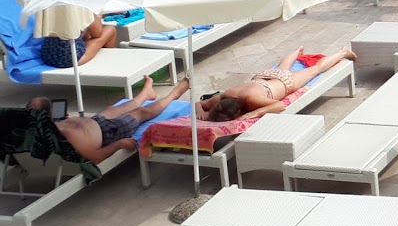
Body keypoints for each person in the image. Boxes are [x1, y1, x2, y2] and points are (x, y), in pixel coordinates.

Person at [30, 76, 190, 165]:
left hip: (97, 123)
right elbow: (95, 158)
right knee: (141, 112)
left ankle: (146, 94)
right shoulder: (62, 135)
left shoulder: (36, 127)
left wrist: (66, 121)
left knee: (114, 108)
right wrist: (119, 144)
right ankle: (175, 94)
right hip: (110, 133)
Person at [197, 47, 358, 122]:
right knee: (283, 67)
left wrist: (256, 112)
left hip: (284, 82)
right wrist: (201, 112)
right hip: (265, 77)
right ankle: (296, 50)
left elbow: (280, 105)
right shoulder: (223, 97)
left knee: (316, 69)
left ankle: (343, 52)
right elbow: (198, 103)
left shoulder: (252, 100)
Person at [39, 15, 118, 70]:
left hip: (47, 55)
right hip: (70, 58)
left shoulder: (55, 7)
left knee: (85, 29)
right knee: (110, 29)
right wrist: (98, 18)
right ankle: (105, 66)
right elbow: (97, 34)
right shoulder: (84, 8)